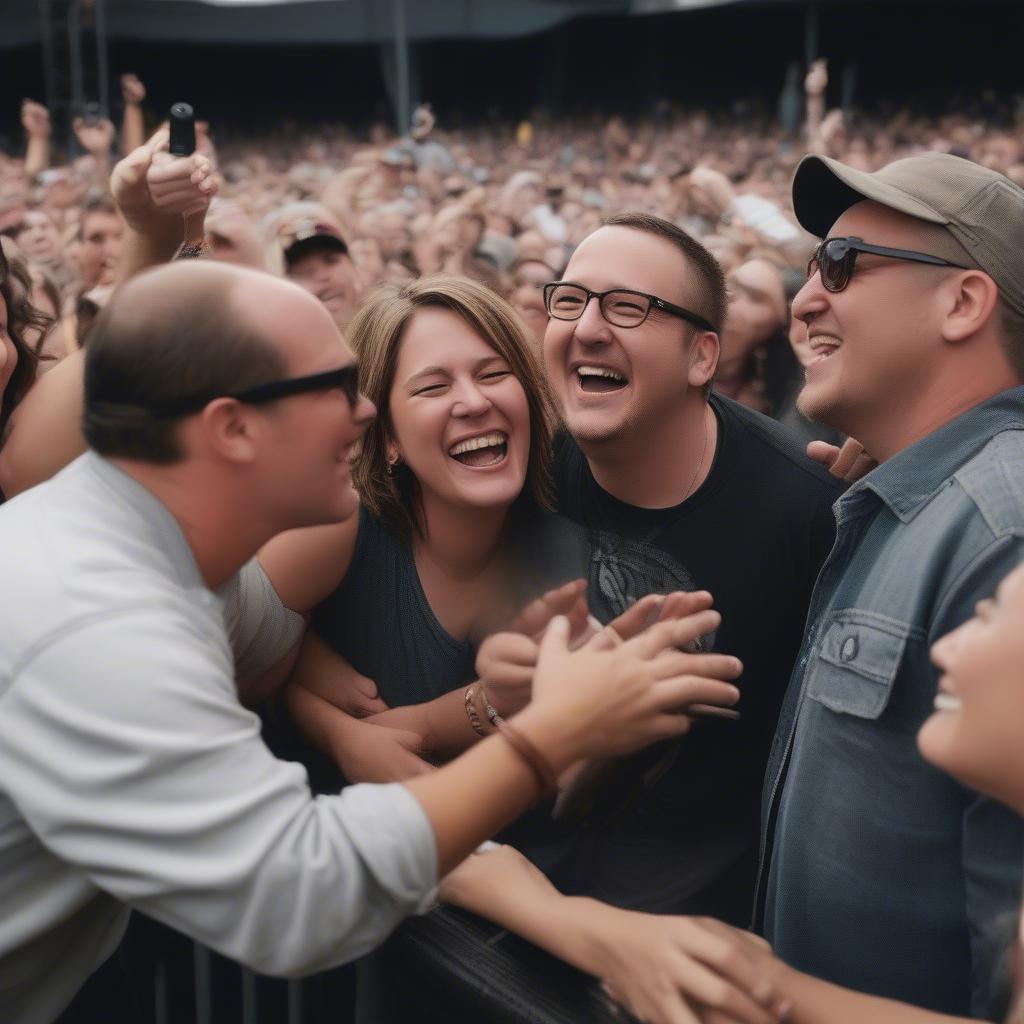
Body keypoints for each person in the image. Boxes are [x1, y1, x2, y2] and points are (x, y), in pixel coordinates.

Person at [0, 259, 736, 1023]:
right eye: (334, 388)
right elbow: (301, 896)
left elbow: (262, 654)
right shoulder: (102, 627)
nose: (361, 414)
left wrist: (492, 699)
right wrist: (550, 736)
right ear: (233, 427)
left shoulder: (152, 551)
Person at [754, 152, 1024, 1020]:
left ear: (963, 301)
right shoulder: (913, 497)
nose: (804, 300)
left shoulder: (1001, 529)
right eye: (807, 268)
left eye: (842, 264)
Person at [537, 210, 842, 921]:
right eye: (571, 299)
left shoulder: (808, 510)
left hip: (698, 942)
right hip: (506, 908)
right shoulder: (515, 468)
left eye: (628, 306)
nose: (587, 326)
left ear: (703, 357)